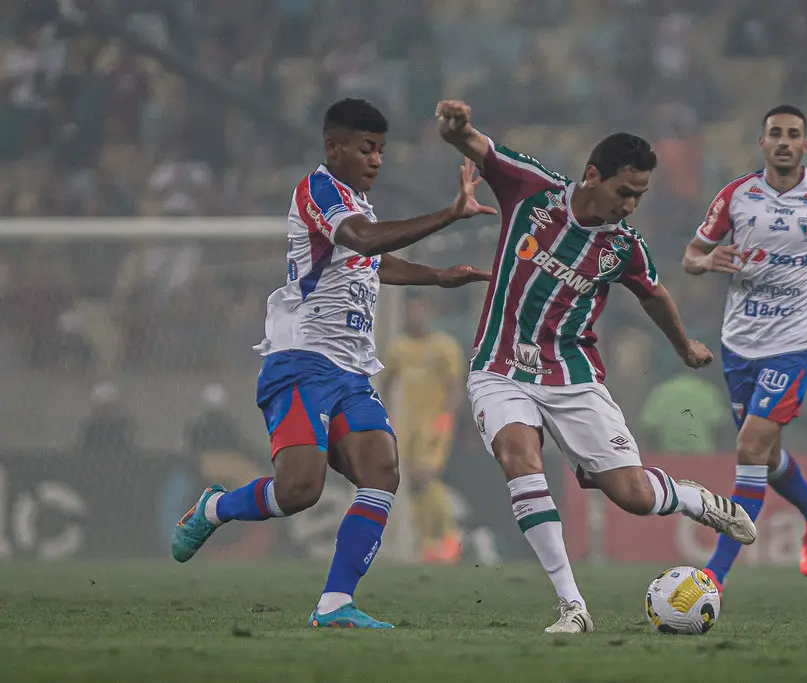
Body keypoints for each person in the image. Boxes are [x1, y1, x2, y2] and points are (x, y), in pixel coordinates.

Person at [436, 98, 756, 634]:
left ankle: (693, 498)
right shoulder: (532, 189)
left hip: (572, 375)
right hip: (499, 366)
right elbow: (476, 145)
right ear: (591, 176)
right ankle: (573, 606)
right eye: (623, 192)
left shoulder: (624, 247)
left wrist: (683, 347)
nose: (630, 205)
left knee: (633, 496)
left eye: (639, 196)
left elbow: (654, 295)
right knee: (520, 458)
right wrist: (455, 129)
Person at [171, 98, 494, 629]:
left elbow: (373, 259)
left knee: (382, 471)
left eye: (381, 150)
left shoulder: (359, 204)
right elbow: (361, 239)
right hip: (301, 360)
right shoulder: (318, 190)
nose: (376, 160)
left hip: (350, 369)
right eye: (367, 149)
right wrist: (448, 215)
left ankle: (334, 603)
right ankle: (214, 508)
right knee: (300, 490)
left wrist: (437, 277)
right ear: (333, 146)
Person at [682, 104, 807, 592]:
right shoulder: (736, 196)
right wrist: (707, 261)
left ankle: (714, 576)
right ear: (762, 143)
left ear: (806, 145)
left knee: (749, 448)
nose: (784, 141)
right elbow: (690, 256)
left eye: (793, 134)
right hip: (739, 342)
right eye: (776, 134)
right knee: (766, 460)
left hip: (795, 342)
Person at [379, 293, 466, 563]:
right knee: (413, 486)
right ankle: (428, 544)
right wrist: (386, 414)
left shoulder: (444, 347)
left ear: (429, 312)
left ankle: (450, 537)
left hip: (434, 424)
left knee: (425, 477)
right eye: (410, 310)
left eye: (420, 309)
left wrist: (446, 417)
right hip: (406, 426)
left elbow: (455, 385)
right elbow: (387, 382)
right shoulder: (398, 348)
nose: (415, 315)